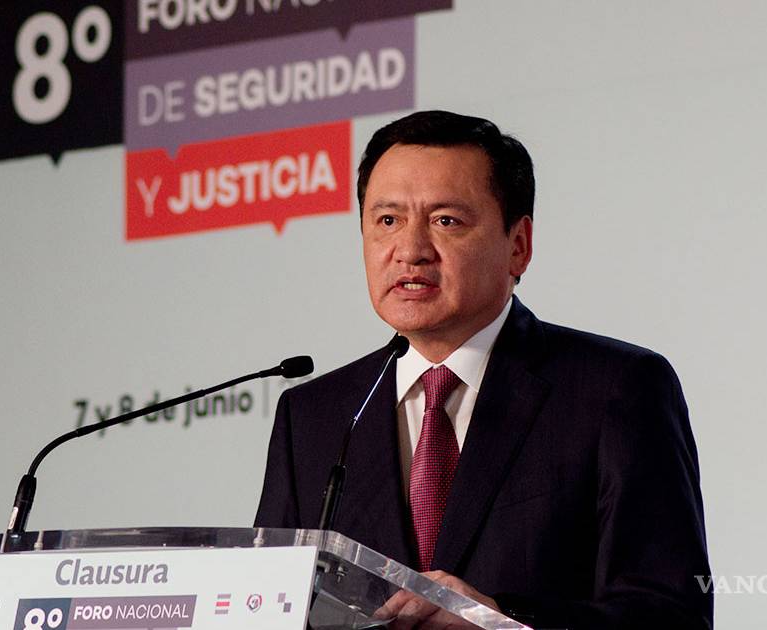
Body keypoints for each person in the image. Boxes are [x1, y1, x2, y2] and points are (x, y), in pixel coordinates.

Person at [255, 110, 712, 629]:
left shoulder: (616, 389)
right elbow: (269, 607)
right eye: (388, 221)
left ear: (518, 245)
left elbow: (673, 616)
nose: (411, 251)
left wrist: (499, 621)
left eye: (446, 221)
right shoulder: (313, 417)